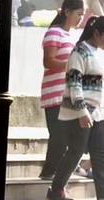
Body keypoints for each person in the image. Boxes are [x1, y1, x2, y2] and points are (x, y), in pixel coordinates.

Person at [49, 16, 104, 200]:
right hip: (79, 113)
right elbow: (74, 83)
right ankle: (57, 188)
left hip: (97, 113)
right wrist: (81, 111)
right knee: (75, 152)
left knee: (99, 156)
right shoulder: (80, 51)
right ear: (96, 34)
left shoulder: (98, 52)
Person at [39, 0, 86, 181]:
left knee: (72, 137)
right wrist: (72, 65)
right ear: (67, 12)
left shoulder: (74, 36)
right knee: (59, 136)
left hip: (72, 93)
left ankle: (61, 171)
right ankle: (49, 171)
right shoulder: (54, 33)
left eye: (82, 15)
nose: (80, 19)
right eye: (78, 14)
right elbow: (48, 61)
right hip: (55, 93)